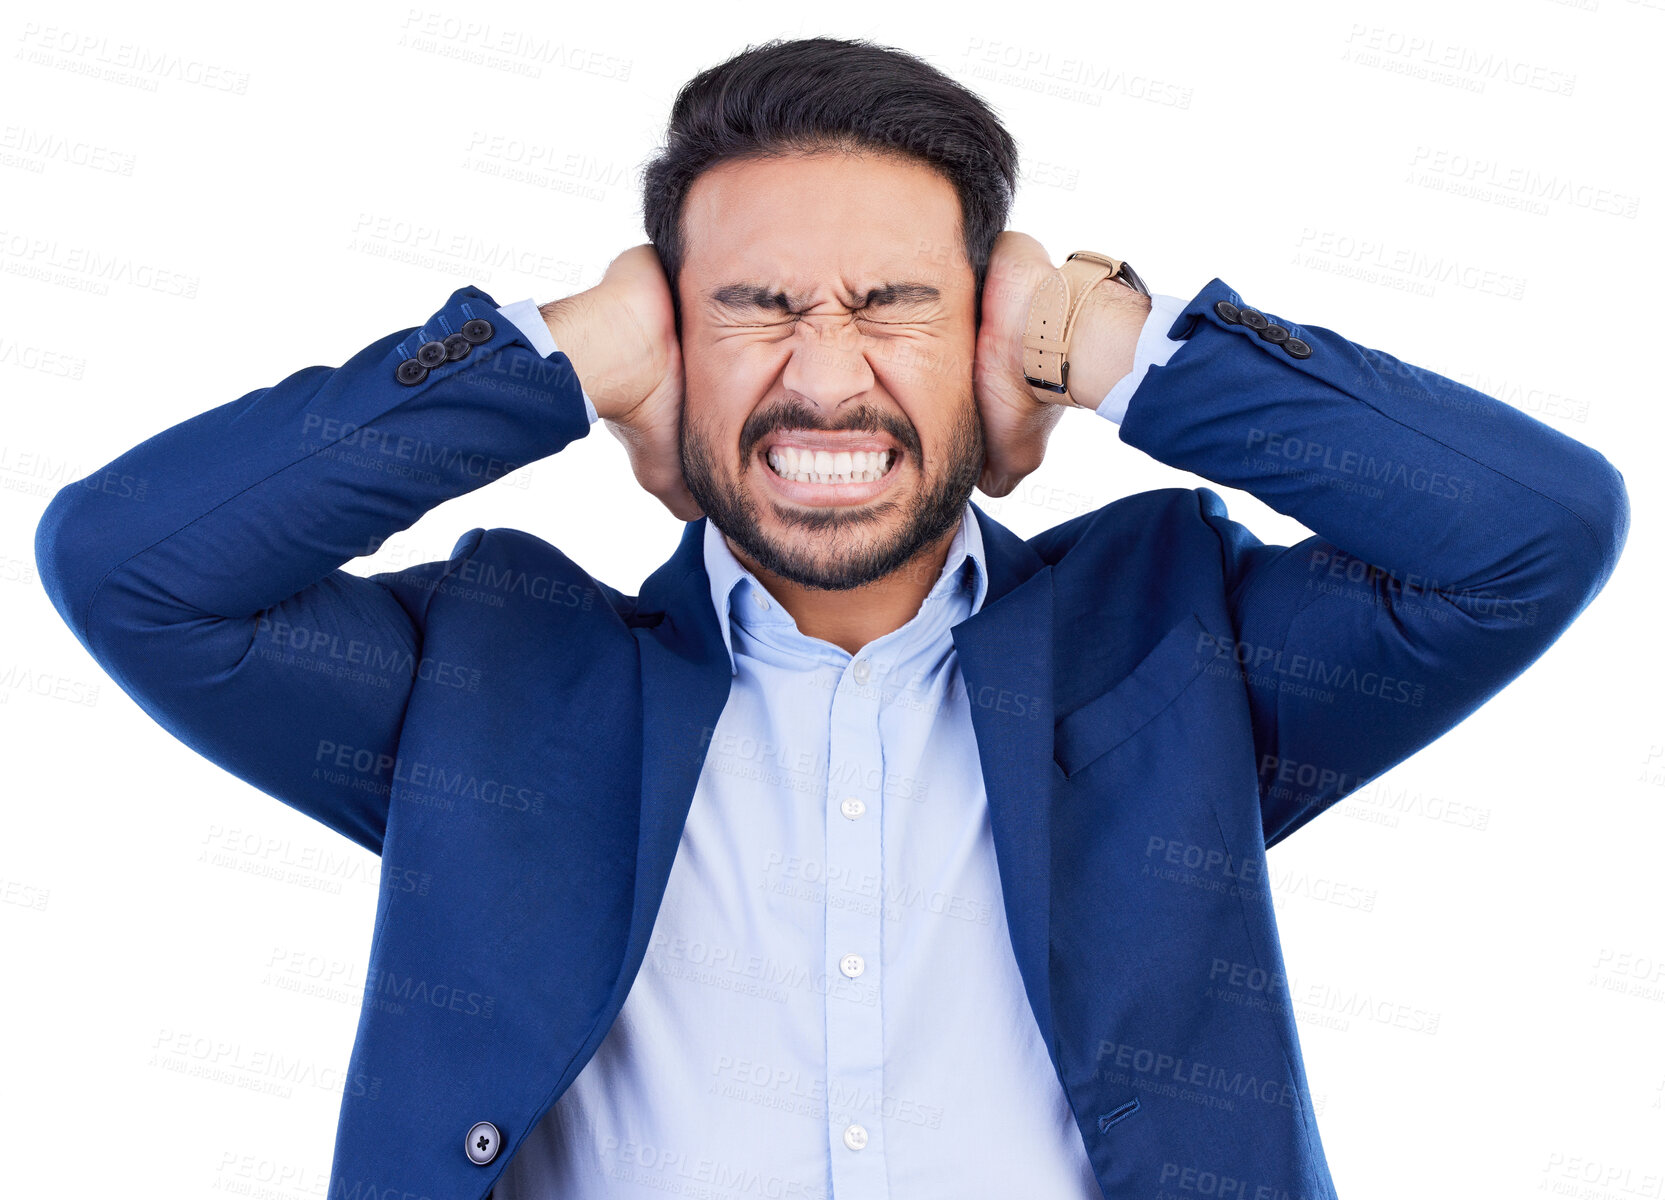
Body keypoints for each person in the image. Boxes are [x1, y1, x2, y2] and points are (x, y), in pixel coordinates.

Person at [33, 35, 1628, 1200]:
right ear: (675, 337)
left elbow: (1529, 532)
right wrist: (549, 358)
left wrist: (1116, 340)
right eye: (753, 305)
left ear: (988, 333)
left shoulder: (1178, 646)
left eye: (892, 302)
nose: (821, 370)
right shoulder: (489, 682)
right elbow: (132, 565)